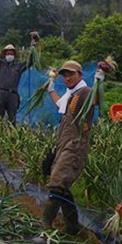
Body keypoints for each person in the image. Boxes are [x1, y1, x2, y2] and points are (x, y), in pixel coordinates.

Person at [41, 61, 98, 234]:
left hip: (75, 147)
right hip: (63, 144)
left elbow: (95, 99)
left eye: (71, 74)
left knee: (57, 183)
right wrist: (51, 89)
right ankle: (73, 226)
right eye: (64, 75)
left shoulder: (85, 92)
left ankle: (45, 226)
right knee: (62, 186)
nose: (67, 78)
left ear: (80, 75)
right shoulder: (70, 95)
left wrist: (100, 78)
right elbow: (60, 104)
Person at [0, 43, 35, 123]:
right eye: (8, 53)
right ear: (5, 55)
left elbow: (30, 62)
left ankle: (11, 131)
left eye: (11, 54)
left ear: (14, 55)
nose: (9, 55)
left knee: (12, 118)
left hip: (13, 95)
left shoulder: (19, 66)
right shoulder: (0, 64)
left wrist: (33, 47)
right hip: (1, 93)